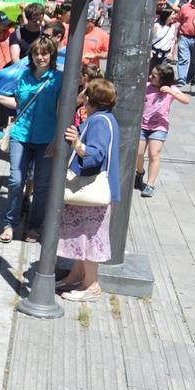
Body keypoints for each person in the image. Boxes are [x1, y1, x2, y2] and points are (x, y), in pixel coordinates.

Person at [0, 34, 62, 243]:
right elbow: (17, 102)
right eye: (36, 53)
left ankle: (35, 226)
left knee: (41, 185)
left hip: (46, 139)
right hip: (21, 135)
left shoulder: (59, 79)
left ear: (52, 55)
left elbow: (64, 111)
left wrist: (57, 141)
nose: (40, 57)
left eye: (44, 53)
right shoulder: (24, 76)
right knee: (16, 181)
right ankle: (10, 223)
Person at [57, 78, 121, 302]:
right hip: (94, 193)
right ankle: (76, 275)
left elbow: (96, 154)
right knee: (82, 234)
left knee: (91, 237)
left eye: (86, 94)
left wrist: (77, 145)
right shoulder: (106, 118)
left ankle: (91, 285)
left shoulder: (99, 122)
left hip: (92, 192)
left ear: (92, 99)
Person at [136, 62, 190, 197]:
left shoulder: (171, 89)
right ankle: (140, 172)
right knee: (138, 153)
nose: (150, 77)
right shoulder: (147, 87)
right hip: (142, 125)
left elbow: (186, 100)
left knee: (154, 154)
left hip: (159, 126)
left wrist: (172, 92)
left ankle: (150, 185)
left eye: (154, 76)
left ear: (163, 79)